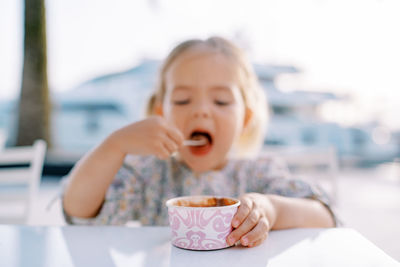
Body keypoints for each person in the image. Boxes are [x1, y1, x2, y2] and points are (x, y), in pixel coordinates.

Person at [62, 36, 336, 248]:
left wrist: (272, 209)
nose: (201, 111)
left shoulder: (259, 174)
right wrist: (114, 145)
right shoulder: (149, 176)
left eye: (221, 101)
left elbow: (325, 218)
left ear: (245, 119)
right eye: (182, 100)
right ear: (161, 113)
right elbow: (79, 213)